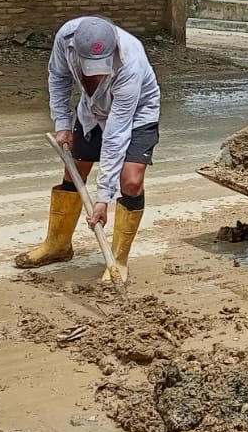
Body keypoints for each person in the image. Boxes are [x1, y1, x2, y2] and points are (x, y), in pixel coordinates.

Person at [16, 15, 160, 284]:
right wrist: (62, 123)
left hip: (136, 114)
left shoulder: (131, 62)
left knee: (130, 180)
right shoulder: (66, 38)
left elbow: (116, 135)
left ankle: (118, 261)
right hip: (93, 109)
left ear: (113, 48)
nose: (96, 72)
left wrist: (103, 198)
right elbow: (59, 77)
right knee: (75, 169)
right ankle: (58, 245)